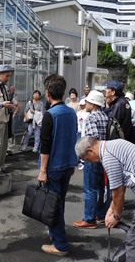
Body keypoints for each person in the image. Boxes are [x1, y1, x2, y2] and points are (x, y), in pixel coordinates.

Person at [37, 74, 78, 256]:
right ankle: (55, 233)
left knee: (54, 205)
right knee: (59, 202)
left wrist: (42, 170)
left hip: (53, 166)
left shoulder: (50, 115)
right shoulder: (71, 112)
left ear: (47, 93)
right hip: (67, 164)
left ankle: (60, 244)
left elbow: (45, 146)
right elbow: (73, 138)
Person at [72, 91, 110, 229]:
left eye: (87, 102)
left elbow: (92, 138)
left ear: (93, 103)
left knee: (90, 189)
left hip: (92, 156)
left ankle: (89, 219)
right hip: (104, 155)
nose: (86, 104)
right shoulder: (105, 116)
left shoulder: (91, 117)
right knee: (101, 188)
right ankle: (100, 215)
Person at [103, 80, 135, 144]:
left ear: (113, 92)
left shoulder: (118, 105)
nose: (105, 90)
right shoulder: (122, 102)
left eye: (108, 88)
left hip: (118, 142)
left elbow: (113, 124)